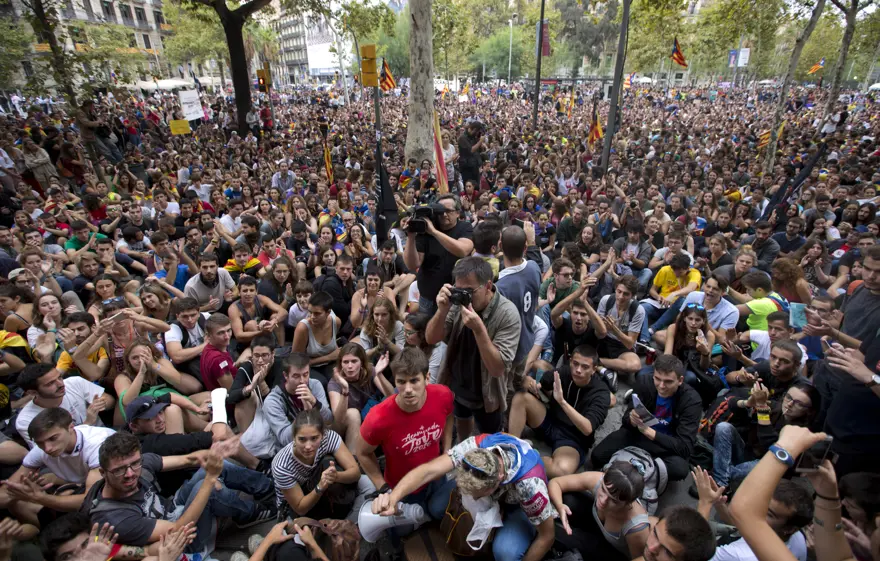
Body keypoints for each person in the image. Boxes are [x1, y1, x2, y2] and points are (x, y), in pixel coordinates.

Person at [371, 432, 558, 561]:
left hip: (517, 506)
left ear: (497, 481)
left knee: (505, 554)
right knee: (436, 507)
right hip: (494, 492)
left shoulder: (530, 488)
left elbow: (547, 537)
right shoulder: (476, 447)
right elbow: (429, 471)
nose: (470, 498)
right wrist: (393, 497)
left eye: (475, 495)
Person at [80, 432, 275, 552]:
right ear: (103, 473)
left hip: (171, 507)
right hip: (179, 542)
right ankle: (253, 513)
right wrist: (209, 480)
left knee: (215, 467)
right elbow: (178, 529)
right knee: (207, 487)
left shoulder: (141, 463)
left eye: (134, 464)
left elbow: (189, 460)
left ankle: (270, 488)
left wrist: (214, 453)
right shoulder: (114, 518)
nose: (130, 474)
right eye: (119, 470)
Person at [425, 256, 521, 438]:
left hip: (487, 392)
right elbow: (431, 338)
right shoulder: (457, 302)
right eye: (458, 290)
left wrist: (479, 330)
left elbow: (497, 368)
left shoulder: (507, 314)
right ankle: (464, 448)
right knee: (462, 420)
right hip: (458, 383)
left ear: (487, 285)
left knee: (490, 437)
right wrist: (442, 310)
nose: (464, 297)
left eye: (469, 291)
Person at [357, 347, 454, 515]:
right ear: (395, 381)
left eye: (414, 381)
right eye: (401, 382)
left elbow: (449, 414)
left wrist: (446, 449)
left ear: (427, 378)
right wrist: (383, 489)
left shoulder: (442, 395)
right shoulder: (378, 418)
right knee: (404, 529)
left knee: (438, 513)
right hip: (401, 489)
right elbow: (362, 453)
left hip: (436, 476)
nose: (408, 389)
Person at [591, 355, 701, 482]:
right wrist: (631, 419)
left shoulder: (692, 401)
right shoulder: (645, 382)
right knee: (597, 456)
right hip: (637, 436)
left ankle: (634, 468)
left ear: (680, 380)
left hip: (665, 446)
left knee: (680, 469)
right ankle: (644, 470)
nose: (661, 386)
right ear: (653, 375)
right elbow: (625, 420)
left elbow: (684, 447)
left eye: (668, 381)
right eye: (657, 379)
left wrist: (649, 432)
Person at [508, 345, 610, 477]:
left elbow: (587, 428)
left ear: (594, 370)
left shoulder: (601, 393)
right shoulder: (566, 371)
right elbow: (544, 381)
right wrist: (532, 383)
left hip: (573, 438)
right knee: (521, 398)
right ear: (570, 361)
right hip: (551, 422)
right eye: (575, 364)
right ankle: (510, 446)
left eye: (585, 367)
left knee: (561, 470)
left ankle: (524, 458)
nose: (578, 370)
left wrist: (562, 402)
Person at [272, 408, 372, 520]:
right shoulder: (282, 465)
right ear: (294, 438)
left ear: (323, 435)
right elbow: (300, 508)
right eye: (302, 440)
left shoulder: (329, 438)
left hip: (329, 489)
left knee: (369, 485)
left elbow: (355, 472)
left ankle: (348, 523)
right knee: (299, 532)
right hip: (298, 504)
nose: (308, 446)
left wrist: (336, 476)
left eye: (314, 438)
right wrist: (321, 486)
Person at [548, 462, 651, 560]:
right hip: (596, 526)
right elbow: (556, 482)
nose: (603, 500)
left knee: (555, 534)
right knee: (568, 498)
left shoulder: (636, 528)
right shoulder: (601, 480)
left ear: (628, 503)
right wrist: (560, 505)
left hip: (611, 552)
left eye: (613, 500)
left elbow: (639, 559)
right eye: (603, 489)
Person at [403, 194, 474, 316]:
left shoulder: (464, 227)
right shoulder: (425, 230)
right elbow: (412, 264)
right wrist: (411, 236)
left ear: (457, 213)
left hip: (456, 298)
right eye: (440, 211)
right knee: (427, 333)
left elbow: (462, 250)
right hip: (428, 298)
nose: (444, 214)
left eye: (449, 211)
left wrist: (434, 232)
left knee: (454, 334)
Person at [15, 364, 114, 448]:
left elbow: (111, 401)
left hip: (105, 438)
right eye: (50, 383)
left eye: (59, 377)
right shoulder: (26, 420)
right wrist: (87, 423)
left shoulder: (74, 383)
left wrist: (101, 403)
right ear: (32, 392)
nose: (60, 384)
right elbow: (51, 452)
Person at [262, 353, 332, 455]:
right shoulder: (273, 401)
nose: (302, 381)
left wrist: (315, 402)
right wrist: (305, 414)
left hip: (318, 442)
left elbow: (329, 420)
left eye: (305, 374)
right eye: (296, 376)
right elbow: (285, 439)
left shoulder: (315, 385)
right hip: (291, 451)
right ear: (286, 376)